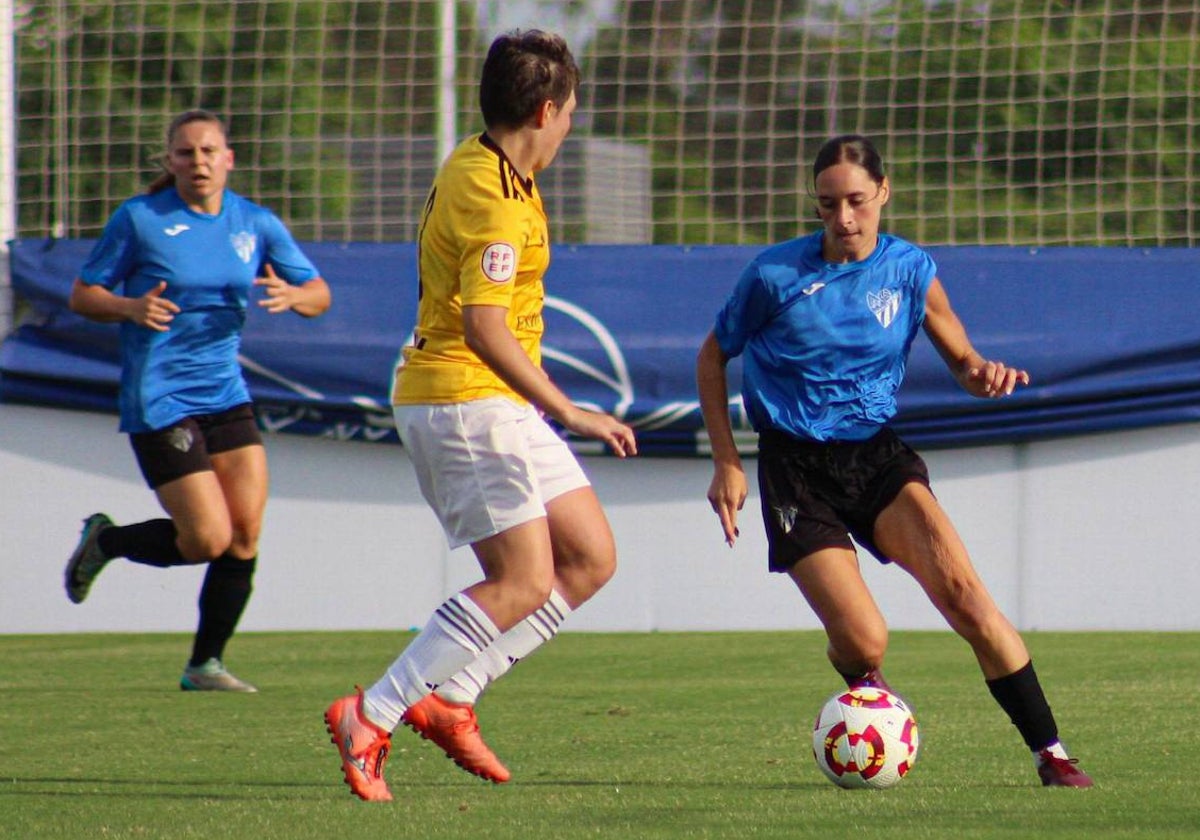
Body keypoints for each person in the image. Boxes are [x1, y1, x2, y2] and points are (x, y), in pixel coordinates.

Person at [695, 134, 1093, 788]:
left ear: (883, 192)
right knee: (865, 641)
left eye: (856, 201)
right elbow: (712, 357)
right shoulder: (773, 277)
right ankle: (867, 694)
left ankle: (1051, 754)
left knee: (966, 598)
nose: (843, 219)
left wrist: (981, 373)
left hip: (877, 460)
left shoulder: (910, 269)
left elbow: (962, 358)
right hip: (796, 471)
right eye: (828, 205)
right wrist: (727, 462)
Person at [323, 30, 637, 802]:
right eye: (568, 112)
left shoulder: (487, 163)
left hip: (496, 401)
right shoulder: (496, 199)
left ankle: (452, 696)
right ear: (543, 108)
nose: (569, 127)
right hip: (462, 400)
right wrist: (572, 409)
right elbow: (484, 327)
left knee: (590, 557)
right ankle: (373, 712)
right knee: (524, 578)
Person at [63, 109, 332, 693]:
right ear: (170, 161)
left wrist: (296, 293)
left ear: (228, 158)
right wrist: (130, 308)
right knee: (206, 539)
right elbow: (85, 294)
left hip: (225, 393)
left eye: (209, 151)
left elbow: (319, 293)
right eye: (185, 153)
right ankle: (106, 541)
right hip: (161, 396)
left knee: (245, 533)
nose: (198, 162)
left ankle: (204, 665)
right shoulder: (140, 219)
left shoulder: (254, 223)